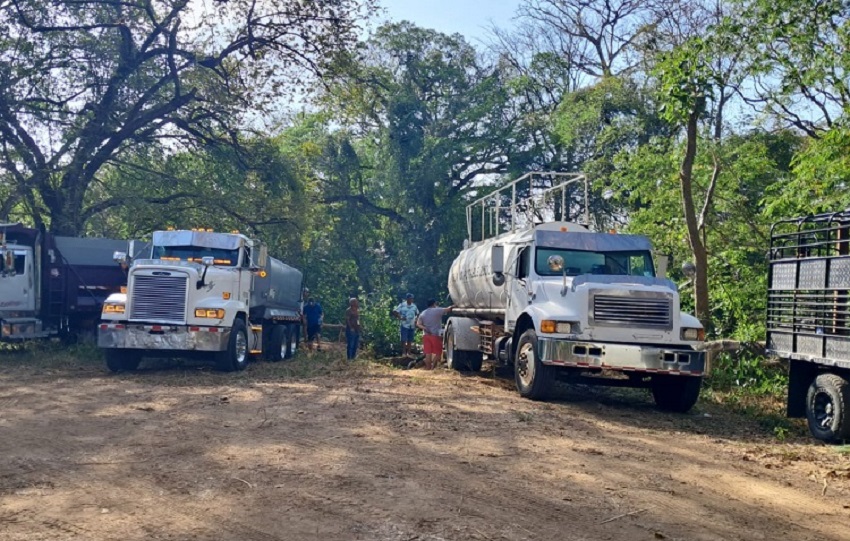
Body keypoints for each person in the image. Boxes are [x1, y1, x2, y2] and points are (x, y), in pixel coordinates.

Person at [416, 299, 453, 370]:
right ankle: (433, 368)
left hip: (426, 335)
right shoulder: (437, 310)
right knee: (438, 353)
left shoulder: (423, 313)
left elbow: (418, 324)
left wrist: (425, 328)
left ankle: (428, 368)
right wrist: (454, 305)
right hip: (435, 335)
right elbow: (448, 309)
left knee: (428, 353)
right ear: (434, 304)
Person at [392, 293, 419, 357]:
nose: (411, 300)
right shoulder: (402, 305)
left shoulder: (414, 306)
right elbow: (395, 311)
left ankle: (409, 352)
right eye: (410, 298)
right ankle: (404, 352)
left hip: (411, 325)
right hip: (404, 324)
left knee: (410, 339)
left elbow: (418, 313)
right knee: (404, 339)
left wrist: (416, 320)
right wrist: (400, 317)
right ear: (407, 299)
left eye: (412, 298)